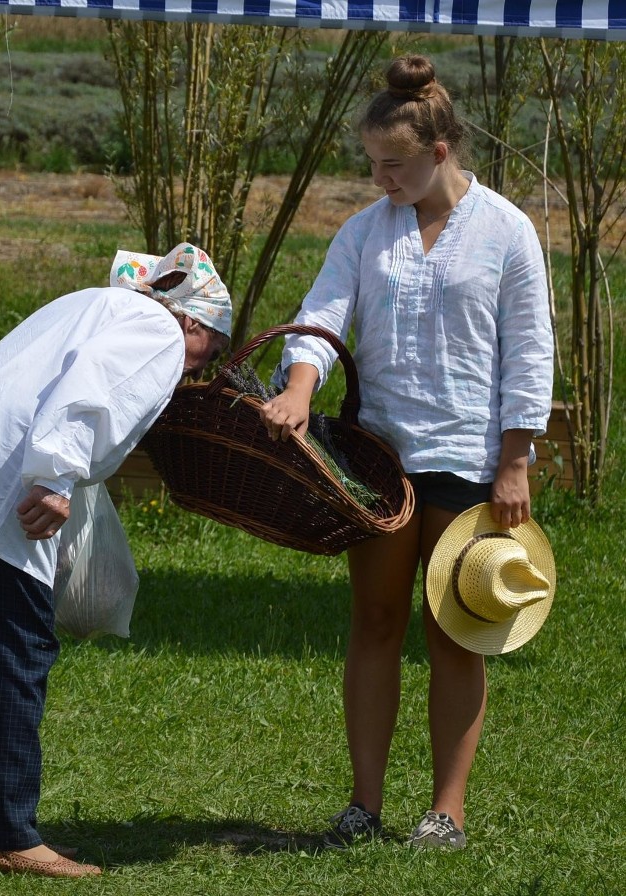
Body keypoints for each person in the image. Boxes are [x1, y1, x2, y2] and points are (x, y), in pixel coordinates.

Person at [259, 55, 553, 850]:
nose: (381, 178)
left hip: (468, 455)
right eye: (373, 164)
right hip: (380, 456)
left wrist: (516, 456)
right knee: (377, 618)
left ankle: (446, 811)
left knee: (455, 626)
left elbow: (529, 348)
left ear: (440, 152)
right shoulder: (364, 231)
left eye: (395, 164)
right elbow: (322, 312)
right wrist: (298, 387)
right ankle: (362, 804)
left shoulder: (507, 230)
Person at [0, 243, 231, 878]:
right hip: (10, 474)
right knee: (14, 649)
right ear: (192, 319)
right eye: (210, 351)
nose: (198, 368)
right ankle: (5, 833)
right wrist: (55, 478)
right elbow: (88, 390)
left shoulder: (95, 304)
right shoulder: (157, 331)